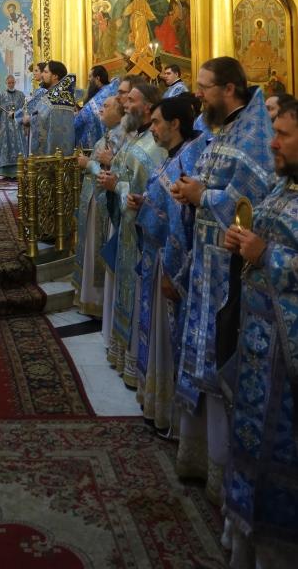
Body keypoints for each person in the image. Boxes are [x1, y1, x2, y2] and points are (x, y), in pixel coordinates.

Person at [170, 57, 275, 505]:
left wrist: (202, 195)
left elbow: (252, 201)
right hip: (205, 265)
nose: (198, 94)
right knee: (201, 359)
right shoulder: (224, 130)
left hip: (229, 273)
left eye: (204, 86)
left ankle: (224, 470)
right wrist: (191, 192)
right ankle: (201, 460)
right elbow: (214, 187)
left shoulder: (253, 137)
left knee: (219, 361)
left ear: (229, 89)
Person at [222, 95, 298, 568]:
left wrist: (265, 254)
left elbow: (274, 254)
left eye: (283, 135)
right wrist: (242, 243)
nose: (272, 142)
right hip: (258, 350)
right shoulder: (283, 187)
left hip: (287, 364)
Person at [133, 93, 206, 434]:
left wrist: (172, 275)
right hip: (156, 258)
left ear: (175, 124)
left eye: (157, 122)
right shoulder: (173, 156)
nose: (152, 128)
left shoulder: (187, 160)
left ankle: (171, 415)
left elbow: (181, 221)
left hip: (172, 265)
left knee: (169, 338)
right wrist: (144, 201)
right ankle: (158, 406)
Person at [98, 81, 165, 387]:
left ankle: (137, 363)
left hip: (141, 235)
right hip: (126, 228)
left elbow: (152, 194)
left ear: (148, 107)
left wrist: (117, 186)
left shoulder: (154, 145)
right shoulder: (138, 136)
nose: (125, 104)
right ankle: (124, 354)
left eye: (131, 100)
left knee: (137, 295)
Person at [74, 93, 123, 317]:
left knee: (98, 249)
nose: (100, 109)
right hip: (95, 199)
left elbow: (113, 171)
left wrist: (89, 164)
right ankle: (89, 299)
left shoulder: (119, 138)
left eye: (106, 106)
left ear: (120, 112)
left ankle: (98, 302)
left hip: (105, 202)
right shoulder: (108, 134)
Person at [34, 61, 76, 156]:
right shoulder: (63, 95)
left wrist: (27, 119)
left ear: (55, 76)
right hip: (64, 156)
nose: (42, 75)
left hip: (52, 157)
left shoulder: (54, 98)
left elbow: (38, 118)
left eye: (45, 72)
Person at [74, 66, 120, 150]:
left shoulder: (105, 92)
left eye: (90, 76)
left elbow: (88, 113)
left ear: (97, 78)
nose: (88, 79)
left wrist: (77, 116)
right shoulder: (108, 90)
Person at [0, 74, 25, 179]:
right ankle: (6, 172)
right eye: (9, 83)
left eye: (12, 82)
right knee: (6, 147)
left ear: (15, 83)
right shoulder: (1, 95)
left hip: (17, 125)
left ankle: (18, 171)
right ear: (6, 83)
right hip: (5, 126)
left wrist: (19, 116)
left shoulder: (21, 95)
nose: (11, 84)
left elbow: (24, 109)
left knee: (18, 147)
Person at [16, 61, 47, 156]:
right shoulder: (40, 90)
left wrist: (15, 115)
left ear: (43, 73)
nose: (34, 73)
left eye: (36, 71)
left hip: (38, 129)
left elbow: (30, 110)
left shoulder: (42, 91)